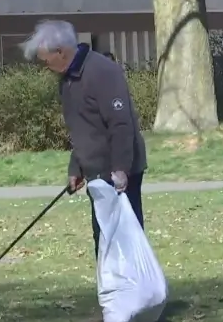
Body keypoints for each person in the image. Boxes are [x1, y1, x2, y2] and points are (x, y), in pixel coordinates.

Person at [22, 20, 147, 259]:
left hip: (120, 167)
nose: (44, 66)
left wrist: (121, 169)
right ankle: (112, 290)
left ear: (61, 52)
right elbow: (82, 128)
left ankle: (136, 291)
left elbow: (122, 124)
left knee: (126, 235)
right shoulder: (68, 79)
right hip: (95, 171)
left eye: (45, 59)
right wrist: (76, 168)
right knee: (102, 234)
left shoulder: (102, 72)